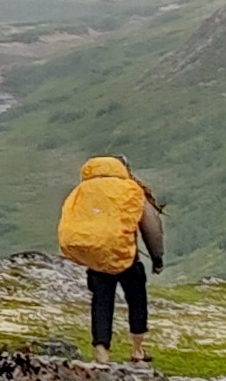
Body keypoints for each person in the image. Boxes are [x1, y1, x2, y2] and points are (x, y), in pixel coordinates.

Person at [54, 155, 164, 363]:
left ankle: (102, 351)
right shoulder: (131, 189)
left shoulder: (82, 191)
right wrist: (157, 258)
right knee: (136, 299)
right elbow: (151, 227)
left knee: (102, 301)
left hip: (96, 257)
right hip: (126, 255)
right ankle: (137, 349)